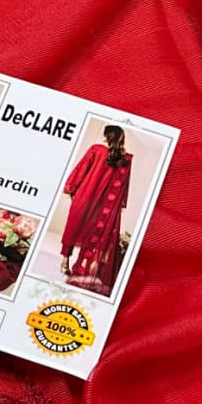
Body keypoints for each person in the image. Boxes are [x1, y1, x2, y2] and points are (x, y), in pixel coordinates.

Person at [59, 124, 131, 295]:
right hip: (103, 204)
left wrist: (71, 187)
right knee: (92, 233)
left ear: (107, 135)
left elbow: (82, 169)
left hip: (84, 197)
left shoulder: (96, 149)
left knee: (73, 228)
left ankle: (65, 261)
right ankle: (82, 265)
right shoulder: (124, 159)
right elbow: (124, 185)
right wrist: (119, 204)